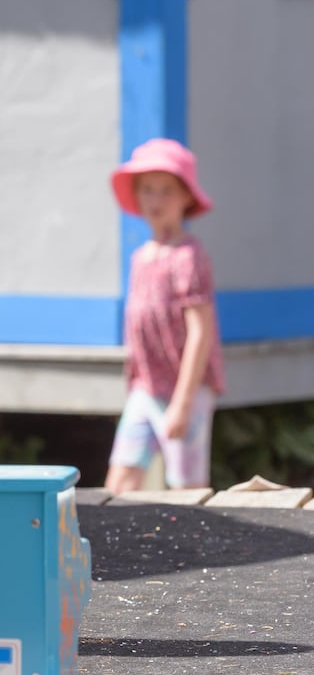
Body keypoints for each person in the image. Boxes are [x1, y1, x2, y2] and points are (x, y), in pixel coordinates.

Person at [104, 138, 224, 496]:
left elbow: (200, 332)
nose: (155, 200)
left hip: (184, 389)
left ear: (186, 196)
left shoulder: (188, 256)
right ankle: (117, 551)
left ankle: (192, 553)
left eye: (167, 191)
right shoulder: (142, 257)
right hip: (146, 388)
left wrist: (183, 403)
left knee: (186, 488)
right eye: (148, 190)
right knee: (120, 480)